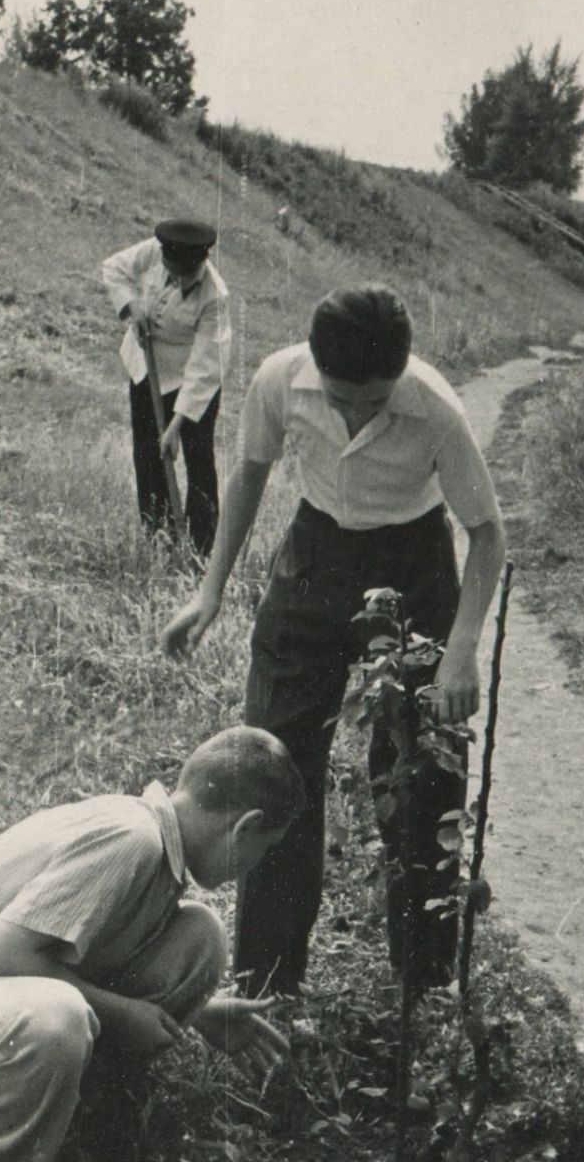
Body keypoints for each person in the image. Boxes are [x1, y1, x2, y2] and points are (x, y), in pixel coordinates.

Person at [161, 284, 507, 999]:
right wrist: (211, 589)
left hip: (413, 565)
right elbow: (251, 473)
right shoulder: (279, 379)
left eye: (375, 404)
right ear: (317, 369)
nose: (356, 415)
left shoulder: (437, 408)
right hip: (316, 558)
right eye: (343, 400)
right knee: (271, 767)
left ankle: (424, 982)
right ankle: (268, 982)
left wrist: (461, 649)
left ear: (400, 379)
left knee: (421, 771)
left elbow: (487, 532)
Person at [0, 726, 305, 1162]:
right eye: (265, 849)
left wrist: (200, 1014)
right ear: (244, 827)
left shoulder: (159, 845)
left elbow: (69, 948)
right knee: (56, 1017)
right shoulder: (133, 840)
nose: (256, 865)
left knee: (200, 935)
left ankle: (84, 1119)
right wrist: (123, 1013)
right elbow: (2, 952)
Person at [102, 219, 230, 559]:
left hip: (191, 383)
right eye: (171, 273)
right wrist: (132, 305)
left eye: (183, 277)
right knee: (147, 454)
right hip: (147, 369)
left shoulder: (215, 296)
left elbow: (206, 368)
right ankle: (157, 534)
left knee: (197, 460)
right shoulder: (153, 252)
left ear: (199, 263)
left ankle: (201, 550)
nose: (176, 281)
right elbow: (113, 269)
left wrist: (176, 426)